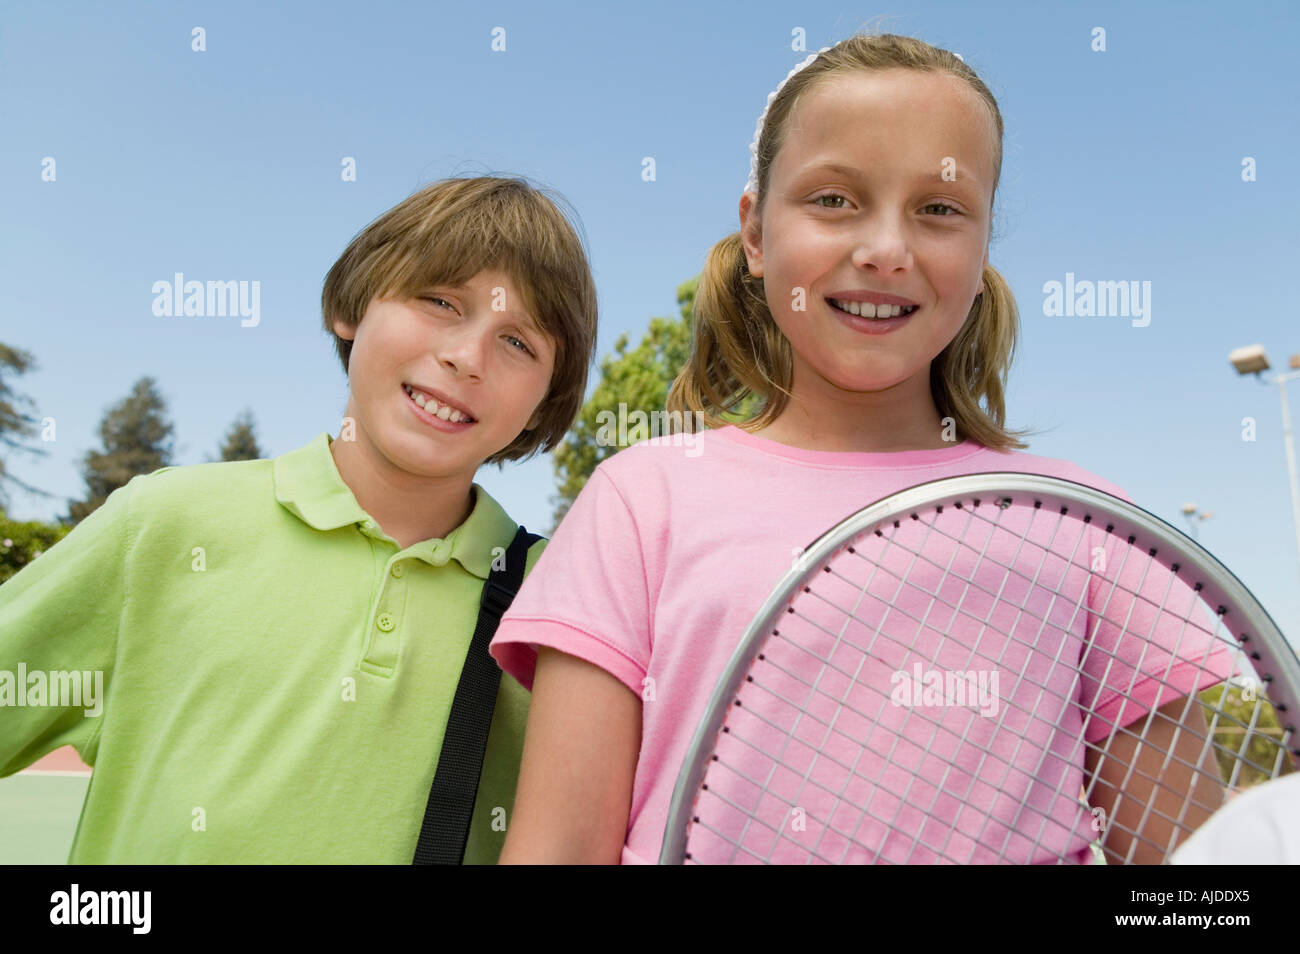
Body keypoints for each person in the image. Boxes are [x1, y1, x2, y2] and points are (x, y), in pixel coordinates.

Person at [489, 33, 1231, 864]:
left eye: (939, 209)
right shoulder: (640, 499)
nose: (886, 249)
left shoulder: (1091, 526)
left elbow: (1193, 882)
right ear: (757, 234)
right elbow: (557, 848)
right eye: (835, 199)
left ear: (983, 250)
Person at [0, 176, 598, 863]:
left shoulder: (564, 599)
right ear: (353, 306)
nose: (467, 356)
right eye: (439, 301)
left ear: (547, 399)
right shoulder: (166, 523)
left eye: (518, 342)